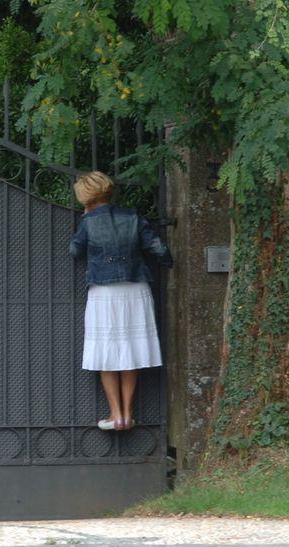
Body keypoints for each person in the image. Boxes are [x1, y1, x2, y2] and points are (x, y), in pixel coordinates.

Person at [69, 171, 172, 431]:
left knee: (107, 351)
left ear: (85, 197)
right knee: (130, 349)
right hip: (135, 289)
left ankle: (115, 415)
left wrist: (85, 221)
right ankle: (128, 413)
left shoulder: (88, 222)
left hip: (104, 293)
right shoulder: (132, 217)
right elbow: (159, 249)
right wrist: (168, 262)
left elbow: (74, 251)